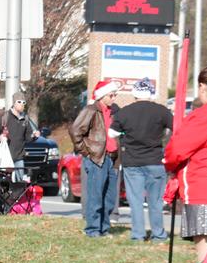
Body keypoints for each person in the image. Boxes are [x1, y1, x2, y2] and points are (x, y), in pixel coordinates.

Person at [164, 66, 207, 260]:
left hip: (203, 191)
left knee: (206, 261)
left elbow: (176, 150)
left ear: (202, 87)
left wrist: (169, 164)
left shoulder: (204, 116)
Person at [110, 78, 172, 242]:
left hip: (132, 162)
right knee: (155, 201)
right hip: (155, 160)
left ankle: (138, 235)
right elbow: (174, 130)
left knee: (135, 201)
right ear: (151, 93)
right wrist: (162, 135)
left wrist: (126, 135)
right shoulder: (162, 111)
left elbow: (112, 133)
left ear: (134, 94)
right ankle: (158, 234)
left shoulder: (124, 112)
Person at [70, 80, 121, 237]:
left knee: (109, 197)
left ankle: (104, 228)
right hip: (97, 159)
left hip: (111, 159)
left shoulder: (113, 112)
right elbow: (75, 131)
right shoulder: (91, 110)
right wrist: (86, 152)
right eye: (111, 95)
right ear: (102, 96)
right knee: (95, 196)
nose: (113, 98)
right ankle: (92, 230)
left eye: (114, 95)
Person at [0, 91, 39, 181]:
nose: (22, 104)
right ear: (14, 103)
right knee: (5, 183)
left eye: (24, 102)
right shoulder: (4, 116)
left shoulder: (25, 119)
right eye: (19, 102)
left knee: (19, 185)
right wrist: (0, 137)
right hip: (4, 158)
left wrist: (34, 136)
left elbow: (27, 138)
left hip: (19, 158)